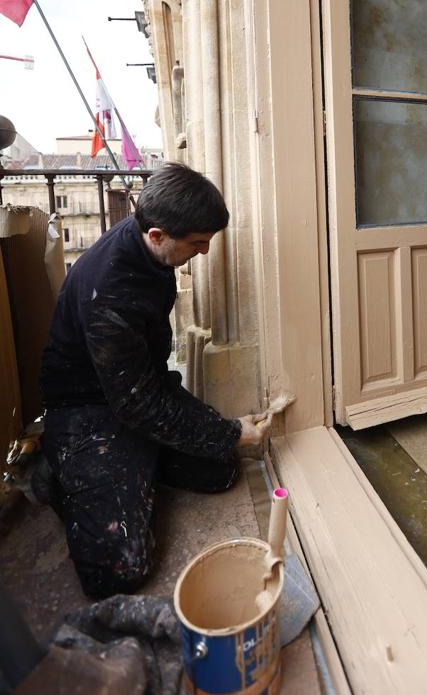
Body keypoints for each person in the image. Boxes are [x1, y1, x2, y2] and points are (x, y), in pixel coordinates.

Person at [37, 162, 271, 598]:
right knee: (120, 568)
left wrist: (220, 436)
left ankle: (131, 464)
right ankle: (63, 471)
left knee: (220, 469)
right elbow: (136, 405)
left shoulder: (151, 250)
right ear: (157, 235)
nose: (203, 252)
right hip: (86, 410)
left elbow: (146, 389)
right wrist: (228, 430)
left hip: (137, 387)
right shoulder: (110, 291)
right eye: (197, 243)